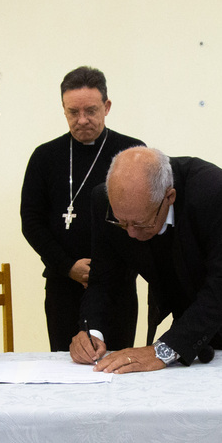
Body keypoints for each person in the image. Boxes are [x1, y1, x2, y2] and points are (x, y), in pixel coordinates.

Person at [70, 146, 222, 373]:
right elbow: (103, 278)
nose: (130, 233)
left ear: (169, 197)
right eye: (121, 223)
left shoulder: (212, 191)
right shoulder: (106, 202)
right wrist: (92, 331)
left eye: (141, 223)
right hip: (195, 308)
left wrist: (163, 351)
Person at [20, 66, 145, 351]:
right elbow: (31, 222)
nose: (82, 120)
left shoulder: (132, 152)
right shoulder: (44, 157)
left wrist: (107, 270)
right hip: (63, 285)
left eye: (91, 110)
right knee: (67, 369)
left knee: (117, 366)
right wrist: (68, 266)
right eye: (73, 112)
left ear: (107, 106)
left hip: (116, 288)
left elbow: (142, 216)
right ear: (63, 109)